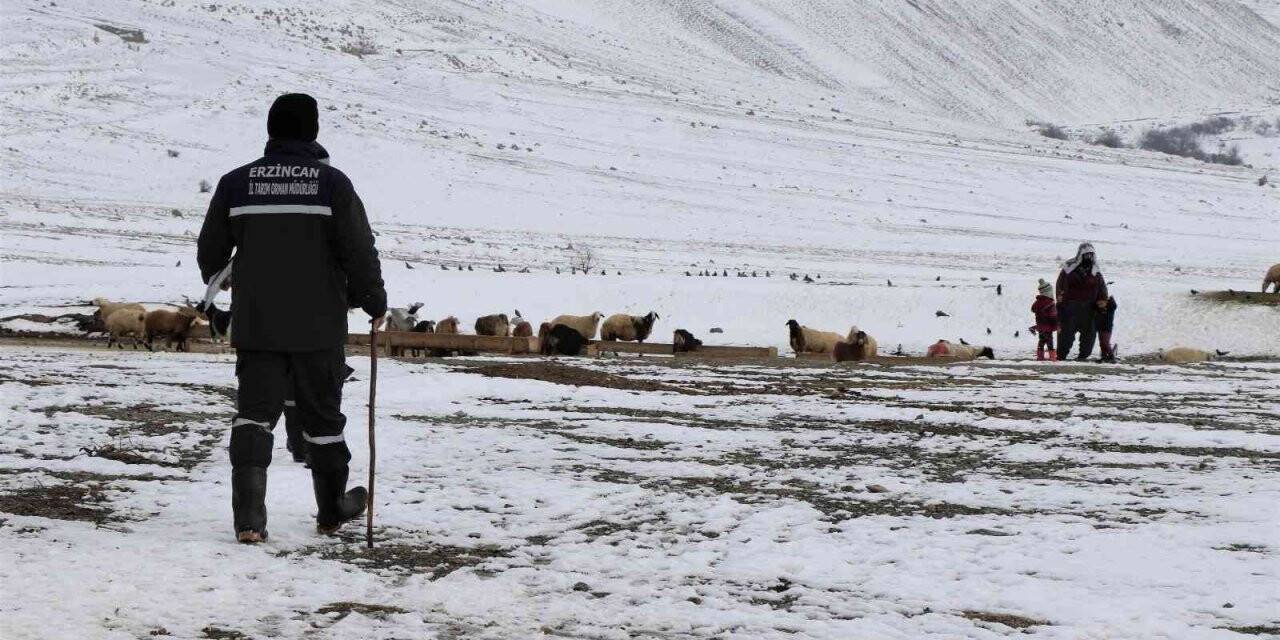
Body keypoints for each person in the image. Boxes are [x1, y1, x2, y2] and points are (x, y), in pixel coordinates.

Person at [197, 93, 387, 543]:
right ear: (313, 131)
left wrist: (223, 279)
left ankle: (249, 521)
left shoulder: (236, 183)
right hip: (318, 328)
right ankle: (331, 511)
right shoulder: (332, 184)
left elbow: (211, 250)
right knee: (322, 422)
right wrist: (373, 300)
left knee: (253, 417)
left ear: (271, 130)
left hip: (258, 325)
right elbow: (358, 249)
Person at [1055, 242, 1108, 360]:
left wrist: (1102, 301)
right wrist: (1060, 299)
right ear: (1080, 255)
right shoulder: (1069, 268)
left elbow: (1102, 288)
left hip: (1089, 308)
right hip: (1070, 307)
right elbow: (1060, 284)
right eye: (1086, 254)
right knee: (1065, 334)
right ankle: (1061, 356)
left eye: (1091, 255)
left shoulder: (1095, 272)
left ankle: (1083, 356)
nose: (1088, 257)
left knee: (1089, 335)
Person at [1031, 279, 1058, 361]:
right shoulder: (1050, 303)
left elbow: (1033, 309)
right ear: (1049, 292)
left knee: (1041, 341)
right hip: (1048, 327)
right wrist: (1056, 325)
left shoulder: (1037, 302)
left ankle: (1040, 357)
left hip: (1040, 326)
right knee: (1050, 342)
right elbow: (1053, 316)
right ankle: (1052, 357)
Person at [1095, 295, 1118, 362]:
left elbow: (1114, 305)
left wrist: (1110, 299)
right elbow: (1093, 304)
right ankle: (1104, 356)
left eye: (1102, 303)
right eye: (1098, 304)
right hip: (1100, 328)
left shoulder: (1110, 308)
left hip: (1107, 328)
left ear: (1106, 302)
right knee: (1102, 343)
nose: (1100, 305)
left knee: (1105, 342)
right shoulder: (1098, 309)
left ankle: (1111, 356)